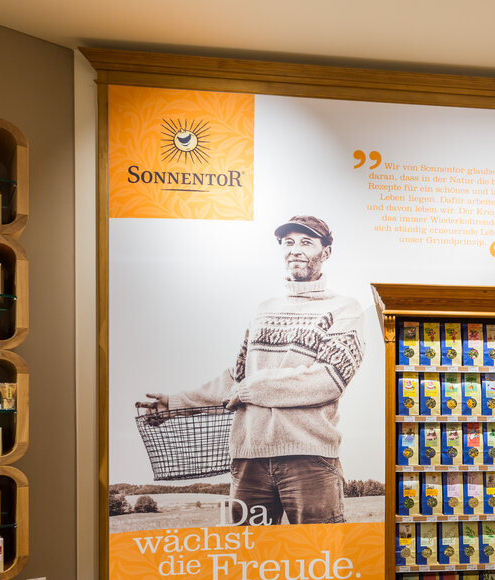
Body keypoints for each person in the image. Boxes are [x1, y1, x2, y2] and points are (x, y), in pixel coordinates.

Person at [137, 215, 364, 524]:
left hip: (309, 459)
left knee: (319, 551)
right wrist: (176, 402)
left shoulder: (344, 308)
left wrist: (251, 389)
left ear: (326, 252)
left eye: (306, 242)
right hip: (249, 460)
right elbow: (238, 377)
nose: (295, 249)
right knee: (247, 551)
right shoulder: (264, 310)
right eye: (288, 242)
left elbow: (328, 380)